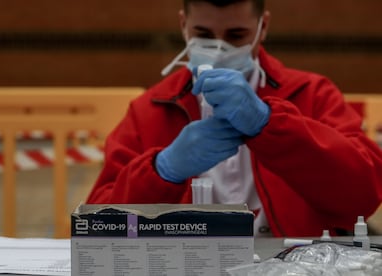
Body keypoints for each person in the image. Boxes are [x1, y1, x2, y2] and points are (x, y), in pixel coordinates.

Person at [86, 0, 382, 237]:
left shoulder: (311, 95)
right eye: (203, 35)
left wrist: (271, 124)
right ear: (183, 26)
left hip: (292, 264)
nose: (219, 49)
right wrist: (162, 170)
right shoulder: (151, 109)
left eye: (236, 35)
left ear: (262, 27)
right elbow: (99, 227)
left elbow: (364, 197)